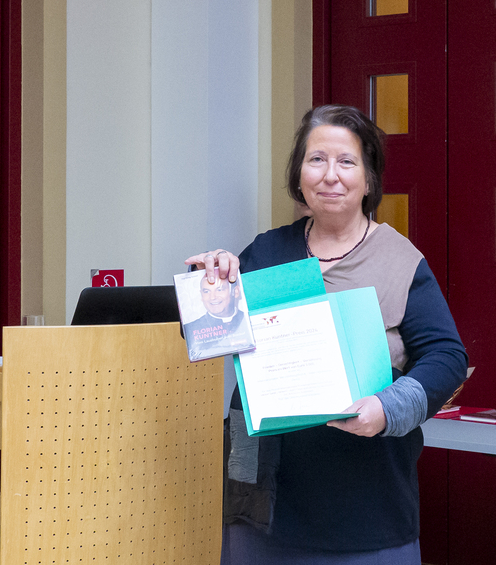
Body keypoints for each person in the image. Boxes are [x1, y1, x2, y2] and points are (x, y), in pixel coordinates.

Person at [185, 104, 468, 564]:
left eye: (346, 161)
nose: (330, 175)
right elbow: (206, 335)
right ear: (299, 176)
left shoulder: (400, 260)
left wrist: (387, 408)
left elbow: (447, 357)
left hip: (367, 506)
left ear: (369, 180)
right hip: (259, 503)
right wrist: (211, 285)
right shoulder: (266, 251)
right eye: (316, 159)